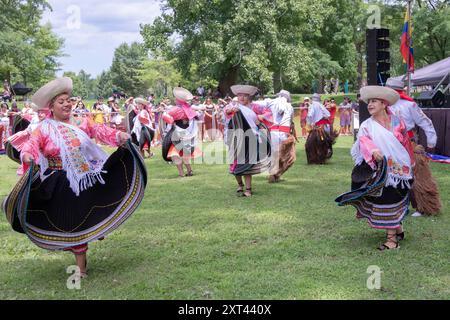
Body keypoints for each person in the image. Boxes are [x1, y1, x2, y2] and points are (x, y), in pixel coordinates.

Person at [2, 77, 147, 278]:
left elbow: (100, 131)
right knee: (68, 222)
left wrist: (118, 136)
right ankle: (72, 249)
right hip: (58, 183)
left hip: (85, 179)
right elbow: (31, 146)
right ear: (51, 107)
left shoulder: (81, 122)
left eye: (68, 100)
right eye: (61, 102)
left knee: (82, 220)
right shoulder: (43, 128)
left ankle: (81, 270)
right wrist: (27, 155)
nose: (67, 104)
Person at [336, 85, 414, 251]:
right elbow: (364, 141)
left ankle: (394, 234)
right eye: (369, 102)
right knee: (387, 199)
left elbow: (406, 143)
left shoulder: (397, 122)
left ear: (384, 104)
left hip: (402, 170)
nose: (369, 104)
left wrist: (411, 163)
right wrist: (374, 151)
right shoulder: (366, 125)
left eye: (374, 101)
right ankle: (393, 236)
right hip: (382, 170)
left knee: (396, 198)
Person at [386, 78, 440, 217]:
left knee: (417, 175)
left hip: (408, 144)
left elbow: (425, 122)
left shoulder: (409, 105)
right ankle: (395, 205)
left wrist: (431, 142)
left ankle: (424, 207)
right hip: (387, 143)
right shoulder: (383, 104)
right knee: (392, 174)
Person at [224, 85, 272, 197]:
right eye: (240, 95)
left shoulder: (255, 107)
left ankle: (248, 189)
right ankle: (240, 185)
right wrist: (231, 110)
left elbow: (268, 113)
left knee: (247, 163)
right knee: (235, 163)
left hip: (250, 138)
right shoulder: (233, 106)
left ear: (248, 97)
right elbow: (226, 112)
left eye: (244, 95)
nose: (242, 98)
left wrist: (260, 117)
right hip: (236, 139)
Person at [162, 87, 202, 177]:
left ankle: (181, 173)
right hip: (187, 132)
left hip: (177, 132)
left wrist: (171, 121)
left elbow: (165, 116)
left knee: (174, 153)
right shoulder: (188, 108)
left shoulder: (176, 109)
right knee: (184, 152)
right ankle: (189, 170)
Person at [268, 90, 297, 183]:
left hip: (273, 132)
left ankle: (273, 174)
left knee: (275, 154)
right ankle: (277, 174)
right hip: (284, 133)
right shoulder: (289, 107)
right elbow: (291, 120)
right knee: (288, 155)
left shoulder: (273, 105)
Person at [305, 93, 338, 164]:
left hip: (316, 125)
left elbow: (310, 115)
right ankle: (328, 150)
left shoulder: (312, 105)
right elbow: (328, 114)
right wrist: (323, 116)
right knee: (328, 139)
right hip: (325, 125)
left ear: (312, 99)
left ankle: (313, 156)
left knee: (309, 142)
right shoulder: (321, 105)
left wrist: (310, 123)